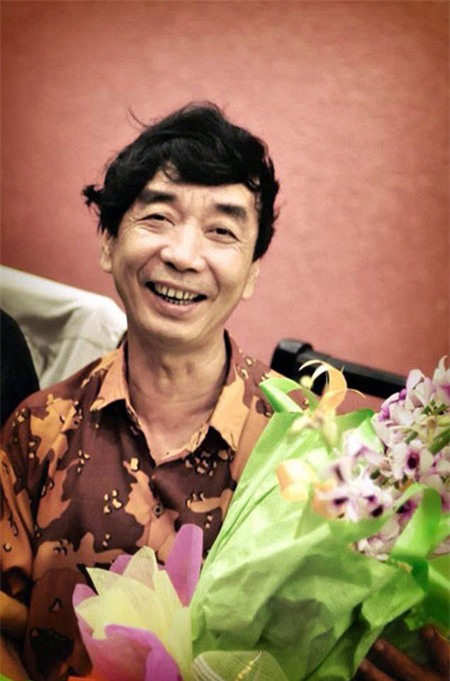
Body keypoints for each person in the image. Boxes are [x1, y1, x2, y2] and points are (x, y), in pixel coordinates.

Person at [0, 103, 447, 681]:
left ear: (253, 271)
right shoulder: (37, 430)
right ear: (108, 242)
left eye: (222, 231)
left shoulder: (320, 444)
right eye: (157, 218)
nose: (184, 256)